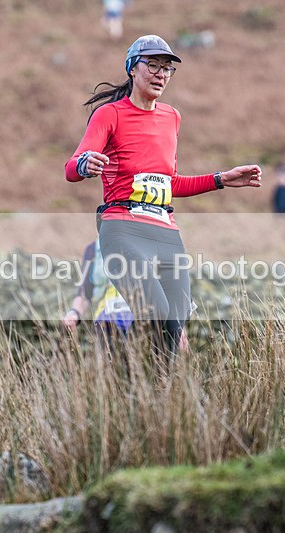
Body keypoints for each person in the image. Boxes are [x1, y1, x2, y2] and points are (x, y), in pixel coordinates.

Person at [64, 34, 262, 361]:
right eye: (153, 65)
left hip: (165, 231)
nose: (161, 74)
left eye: (167, 68)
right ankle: (136, 375)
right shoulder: (109, 115)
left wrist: (221, 180)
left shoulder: (172, 117)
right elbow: (71, 168)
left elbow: (171, 184)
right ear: (132, 68)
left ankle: (157, 387)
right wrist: (86, 164)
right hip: (122, 228)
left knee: (176, 320)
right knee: (156, 311)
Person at [62, 238, 190, 354]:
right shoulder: (93, 250)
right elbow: (85, 293)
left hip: (147, 320)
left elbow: (168, 289)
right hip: (107, 322)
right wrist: (74, 313)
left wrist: (177, 326)